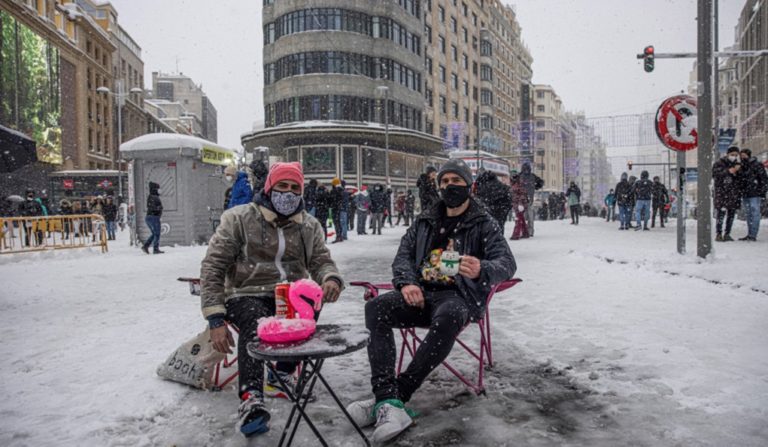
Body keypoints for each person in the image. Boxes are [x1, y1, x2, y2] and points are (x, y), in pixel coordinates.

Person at [346, 159, 516, 443]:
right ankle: (386, 399)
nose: (450, 186)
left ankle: (396, 396)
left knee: (449, 315)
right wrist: (407, 282)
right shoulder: (425, 220)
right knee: (376, 307)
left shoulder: (483, 222)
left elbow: (507, 263)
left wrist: (482, 268)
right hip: (421, 293)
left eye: (456, 181)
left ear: (469, 187)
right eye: (444, 181)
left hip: (458, 296)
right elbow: (403, 255)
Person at [199, 161, 344, 438]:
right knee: (258, 326)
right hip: (245, 293)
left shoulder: (308, 225)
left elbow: (321, 260)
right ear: (269, 188)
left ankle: (282, 375)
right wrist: (215, 317)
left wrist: (330, 279)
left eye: (294, 188)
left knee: (310, 298)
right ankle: (251, 397)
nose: (288, 194)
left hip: (289, 293)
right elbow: (213, 266)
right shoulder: (239, 218)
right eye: (282, 186)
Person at [712, 147, 742, 241]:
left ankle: (727, 233)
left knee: (731, 215)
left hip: (734, 193)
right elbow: (715, 174)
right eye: (732, 154)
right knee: (721, 214)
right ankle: (719, 233)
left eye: (736, 155)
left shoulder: (738, 164)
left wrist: (739, 171)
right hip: (722, 192)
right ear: (728, 154)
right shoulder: (720, 163)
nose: (734, 157)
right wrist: (728, 171)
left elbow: (741, 178)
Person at [738, 148, 768, 241]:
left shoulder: (756, 165)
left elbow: (763, 179)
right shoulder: (742, 166)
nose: (742, 157)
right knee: (749, 214)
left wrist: (762, 191)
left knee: (754, 213)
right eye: (741, 156)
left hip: (755, 193)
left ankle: (753, 234)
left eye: (744, 155)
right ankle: (750, 233)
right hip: (746, 193)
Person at [474, 170, 513, 235]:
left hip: (487, 215)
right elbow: (509, 199)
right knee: (499, 230)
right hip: (500, 213)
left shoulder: (482, 187)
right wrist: (504, 211)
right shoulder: (501, 186)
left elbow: (478, 201)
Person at [517, 163, 544, 236]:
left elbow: (541, 182)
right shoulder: (531, 176)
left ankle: (524, 231)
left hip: (523, 199)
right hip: (526, 199)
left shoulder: (520, 176)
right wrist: (535, 187)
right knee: (529, 216)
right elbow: (541, 182)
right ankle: (528, 231)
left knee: (523, 216)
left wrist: (535, 187)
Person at [141, 181, 164, 254]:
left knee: (154, 233)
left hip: (150, 217)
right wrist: (159, 208)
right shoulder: (153, 197)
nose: (159, 190)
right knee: (157, 233)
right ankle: (155, 249)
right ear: (155, 189)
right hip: (154, 217)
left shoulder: (152, 196)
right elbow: (152, 207)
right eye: (158, 188)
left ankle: (146, 246)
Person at [509, 174, 530, 240]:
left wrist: (520, 204)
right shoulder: (515, 185)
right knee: (521, 219)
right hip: (517, 204)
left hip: (520, 205)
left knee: (518, 220)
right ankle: (525, 233)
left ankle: (516, 234)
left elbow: (522, 194)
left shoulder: (519, 185)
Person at [329, 178, 345, 243]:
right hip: (340, 208)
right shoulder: (341, 189)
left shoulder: (334, 191)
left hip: (335, 208)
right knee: (338, 223)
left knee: (336, 223)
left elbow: (332, 199)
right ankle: (340, 236)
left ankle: (338, 236)